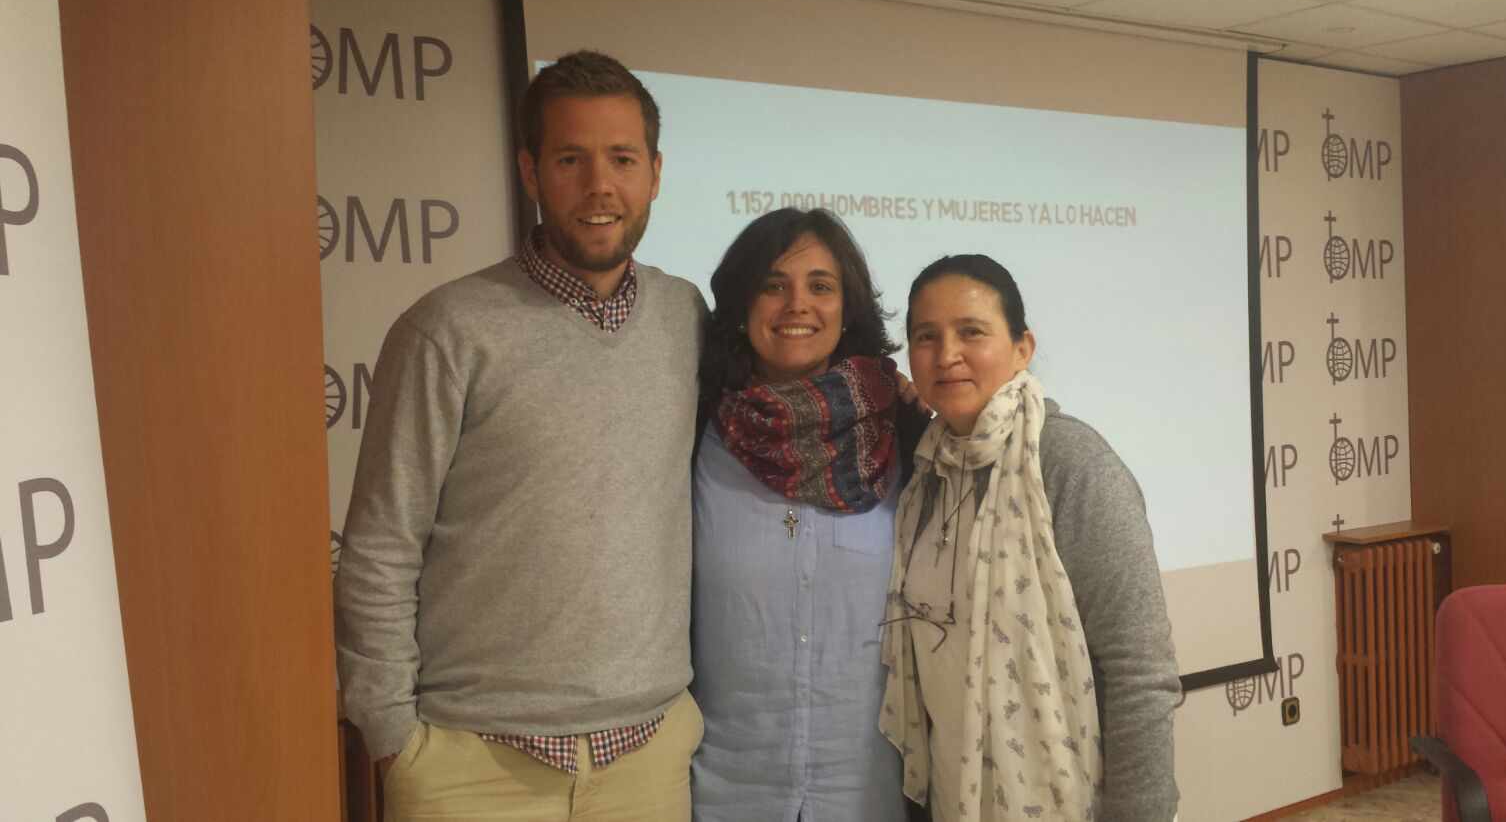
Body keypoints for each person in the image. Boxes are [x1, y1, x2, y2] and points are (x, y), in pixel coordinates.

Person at [334, 50, 706, 821]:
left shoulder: (686, 318)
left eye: (622, 159)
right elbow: (379, 547)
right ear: (531, 172)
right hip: (473, 767)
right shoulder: (447, 330)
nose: (600, 185)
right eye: (571, 159)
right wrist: (393, 737)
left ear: (655, 173)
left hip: (646, 763)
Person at [878, 255, 1181, 822]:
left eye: (972, 331)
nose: (947, 354)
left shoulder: (1071, 463)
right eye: (926, 336)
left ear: (1023, 348)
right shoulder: (925, 474)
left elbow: (1140, 674)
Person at [690, 208, 926, 822]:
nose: (797, 304)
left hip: (869, 795)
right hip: (721, 793)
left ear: (848, 309)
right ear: (743, 306)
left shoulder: (904, 431)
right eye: (774, 285)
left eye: (821, 286)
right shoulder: (691, 431)